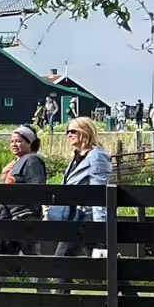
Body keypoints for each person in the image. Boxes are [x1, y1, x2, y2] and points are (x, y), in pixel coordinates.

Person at [49, 116, 114, 270]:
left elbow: (99, 193)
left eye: (73, 131)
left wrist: (100, 225)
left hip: (86, 216)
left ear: (85, 132)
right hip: (75, 215)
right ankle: (120, 283)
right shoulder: (77, 156)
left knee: (63, 260)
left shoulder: (96, 156)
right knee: (103, 262)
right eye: (67, 132)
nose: (69, 135)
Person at [0, 125, 48, 255]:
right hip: (9, 216)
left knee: (30, 256)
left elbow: (37, 188)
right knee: (0, 253)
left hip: (24, 217)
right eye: (12, 141)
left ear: (30, 142)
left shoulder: (32, 160)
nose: (14, 144)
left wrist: (13, 184)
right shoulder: (15, 162)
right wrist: (4, 177)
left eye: (19, 141)